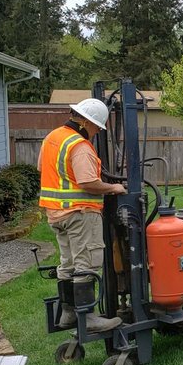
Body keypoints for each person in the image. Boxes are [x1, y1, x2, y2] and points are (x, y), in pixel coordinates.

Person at [38, 98, 125, 332]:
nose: (97, 132)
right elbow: (87, 182)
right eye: (97, 127)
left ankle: (69, 313)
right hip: (80, 214)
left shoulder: (52, 138)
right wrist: (113, 188)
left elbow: (44, 169)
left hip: (56, 214)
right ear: (87, 122)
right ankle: (88, 318)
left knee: (68, 263)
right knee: (87, 263)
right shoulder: (80, 146)